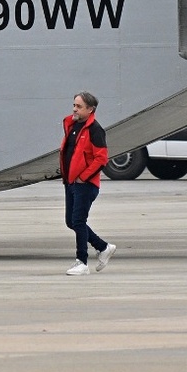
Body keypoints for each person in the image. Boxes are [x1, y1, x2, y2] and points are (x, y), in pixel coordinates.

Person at [60, 91, 114, 276]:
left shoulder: (95, 130)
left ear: (90, 109)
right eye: (74, 105)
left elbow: (101, 158)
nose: (74, 109)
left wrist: (84, 177)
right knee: (71, 221)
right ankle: (103, 247)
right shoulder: (73, 125)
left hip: (85, 184)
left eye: (79, 106)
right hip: (71, 182)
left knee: (78, 221)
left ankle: (82, 262)